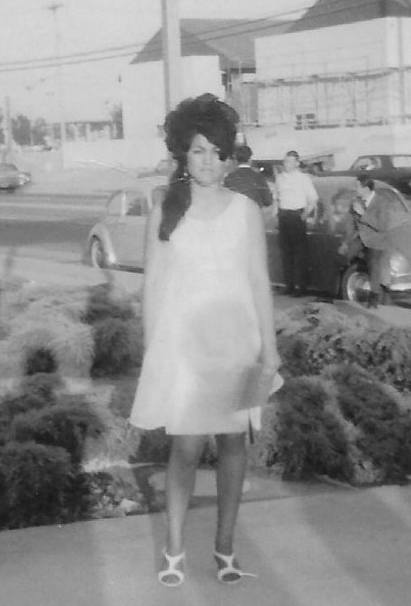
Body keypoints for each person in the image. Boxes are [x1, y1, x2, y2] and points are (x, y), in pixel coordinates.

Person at [129, 94, 281, 588]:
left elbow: (258, 282)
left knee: (234, 444)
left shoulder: (246, 210)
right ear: (182, 153)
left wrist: (270, 350)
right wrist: (154, 355)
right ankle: (174, 549)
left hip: (239, 346)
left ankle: (225, 548)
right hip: (186, 350)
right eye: (198, 151)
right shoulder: (165, 210)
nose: (209, 161)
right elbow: (153, 287)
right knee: (187, 448)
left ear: (228, 155)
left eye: (217, 152)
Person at [340, 176, 393, 308]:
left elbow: (382, 226)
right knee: (340, 256)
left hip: (376, 240)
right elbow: (350, 224)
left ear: (366, 189)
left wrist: (363, 214)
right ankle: (341, 289)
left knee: (373, 263)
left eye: (357, 187)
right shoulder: (356, 202)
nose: (354, 189)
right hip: (360, 238)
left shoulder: (382, 202)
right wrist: (345, 242)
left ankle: (374, 297)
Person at [274, 150, 318, 296]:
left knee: (300, 254)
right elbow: (277, 198)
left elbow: (313, 198)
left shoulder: (303, 179)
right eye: (285, 161)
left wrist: (304, 214)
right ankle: (289, 286)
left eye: (290, 161)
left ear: (297, 163)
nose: (286, 164)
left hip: (296, 216)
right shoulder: (279, 178)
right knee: (286, 252)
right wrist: (277, 213)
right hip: (284, 216)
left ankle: (301, 287)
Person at [224, 143, 273, 208]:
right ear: (250, 160)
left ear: (236, 161)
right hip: (254, 212)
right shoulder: (259, 178)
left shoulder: (229, 178)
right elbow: (268, 201)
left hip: (234, 212)